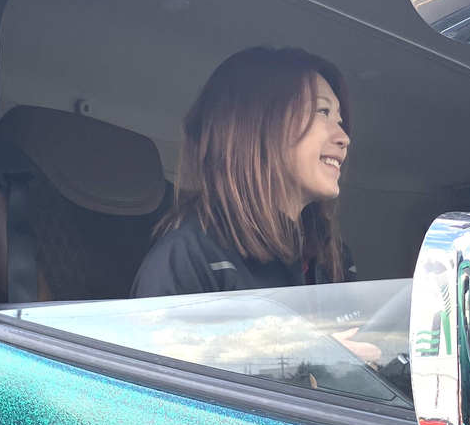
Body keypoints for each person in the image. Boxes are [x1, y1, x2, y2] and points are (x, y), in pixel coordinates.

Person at [132, 45, 383, 367]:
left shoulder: (332, 259)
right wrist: (311, 359)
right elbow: (160, 385)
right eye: (323, 112)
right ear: (260, 124)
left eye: (341, 120)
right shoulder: (191, 257)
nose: (344, 137)